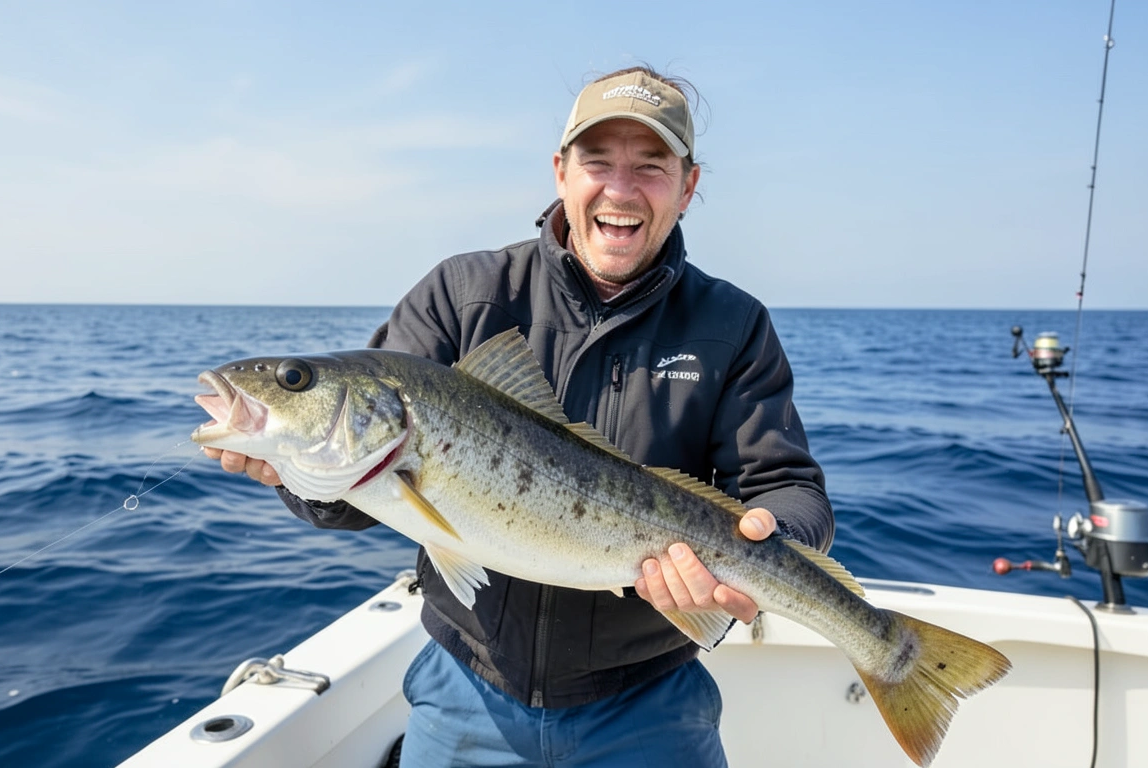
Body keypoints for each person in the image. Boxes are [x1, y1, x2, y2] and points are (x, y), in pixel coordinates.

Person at [204, 66, 833, 767]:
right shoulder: (464, 294)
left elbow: (790, 488)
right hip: (466, 687)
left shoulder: (733, 325)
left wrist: (766, 542)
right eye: (598, 161)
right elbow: (355, 492)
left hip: (651, 700)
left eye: (651, 166)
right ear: (561, 172)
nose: (620, 189)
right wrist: (297, 473)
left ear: (688, 187)